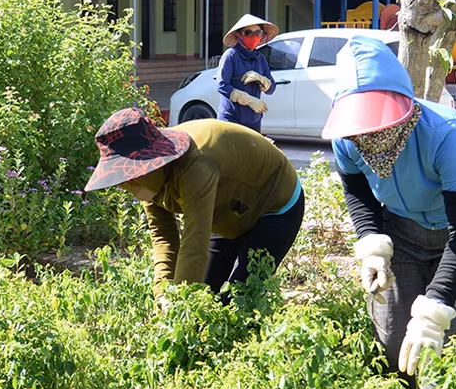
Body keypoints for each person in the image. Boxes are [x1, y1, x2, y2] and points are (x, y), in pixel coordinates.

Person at [322, 36, 456, 389]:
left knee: (442, 342)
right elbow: (358, 193)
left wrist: (434, 309)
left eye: (381, 125)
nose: (372, 136)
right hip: (403, 228)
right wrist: (372, 244)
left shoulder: (446, 135)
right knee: (393, 338)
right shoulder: (346, 138)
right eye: (362, 128)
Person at [84, 108, 304, 305]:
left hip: (274, 203)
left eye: (128, 177)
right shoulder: (146, 180)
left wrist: (180, 304)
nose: (125, 185)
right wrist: (163, 292)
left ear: (149, 162)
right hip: (226, 210)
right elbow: (164, 236)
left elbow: (195, 242)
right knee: (206, 295)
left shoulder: (196, 166)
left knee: (240, 299)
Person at [216, 14, 279, 132]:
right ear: (239, 35)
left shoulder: (260, 59)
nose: (254, 36)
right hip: (231, 120)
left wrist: (262, 80)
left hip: (254, 120)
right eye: (248, 33)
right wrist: (248, 100)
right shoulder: (231, 56)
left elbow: (271, 89)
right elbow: (222, 85)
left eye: (258, 33)